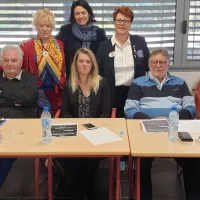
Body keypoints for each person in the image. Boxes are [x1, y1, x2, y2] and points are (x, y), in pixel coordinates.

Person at [125, 48, 199, 200]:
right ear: (149, 64)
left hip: (176, 128)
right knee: (141, 164)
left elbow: (191, 108)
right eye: (154, 62)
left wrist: (172, 119)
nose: (158, 65)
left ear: (168, 64)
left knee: (194, 162)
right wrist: (151, 121)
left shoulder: (180, 83)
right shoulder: (138, 83)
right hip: (146, 130)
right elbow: (130, 110)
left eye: (162, 62)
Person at [58, 48, 111, 200]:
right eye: (80, 61)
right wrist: (76, 129)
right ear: (75, 64)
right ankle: (80, 188)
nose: (84, 64)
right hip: (75, 131)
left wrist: (93, 130)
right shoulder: (69, 84)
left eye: (88, 61)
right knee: (67, 157)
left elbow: (106, 113)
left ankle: (87, 188)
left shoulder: (102, 84)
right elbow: (66, 112)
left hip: (96, 131)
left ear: (93, 64)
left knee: (88, 160)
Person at [97, 6, 150, 118]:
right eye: (119, 20)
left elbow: (148, 67)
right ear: (114, 22)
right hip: (112, 93)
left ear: (130, 23)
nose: (122, 24)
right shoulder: (104, 46)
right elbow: (99, 72)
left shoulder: (140, 42)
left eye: (126, 21)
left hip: (135, 92)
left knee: (134, 123)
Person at [0, 45, 38, 188]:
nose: (10, 64)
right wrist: (17, 100)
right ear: (1, 62)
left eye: (14, 60)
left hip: (24, 129)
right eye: (6, 60)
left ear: (21, 62)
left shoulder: (30, 79)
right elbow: (23, 99)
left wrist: (2, 94)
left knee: (4, 158)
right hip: (1, 129)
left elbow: (29, 99)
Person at [20, 8, 65, 115]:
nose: (45, 29)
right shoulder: (27, 46)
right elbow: (15, 66)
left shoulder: (59, 44)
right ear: (36, 26)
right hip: (36, 92)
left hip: (57, 92)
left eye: (48, 26)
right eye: (41, 25)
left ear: (52, 27)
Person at [56, 0, 107, 78]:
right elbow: (56, 49)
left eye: (83, 13)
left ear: (89, 13)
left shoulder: (99, 33)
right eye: (77, 13)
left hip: (94, 79)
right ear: (73, 15)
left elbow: (104, 58)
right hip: (72, 79)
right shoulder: (65, 31)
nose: (80, 16)